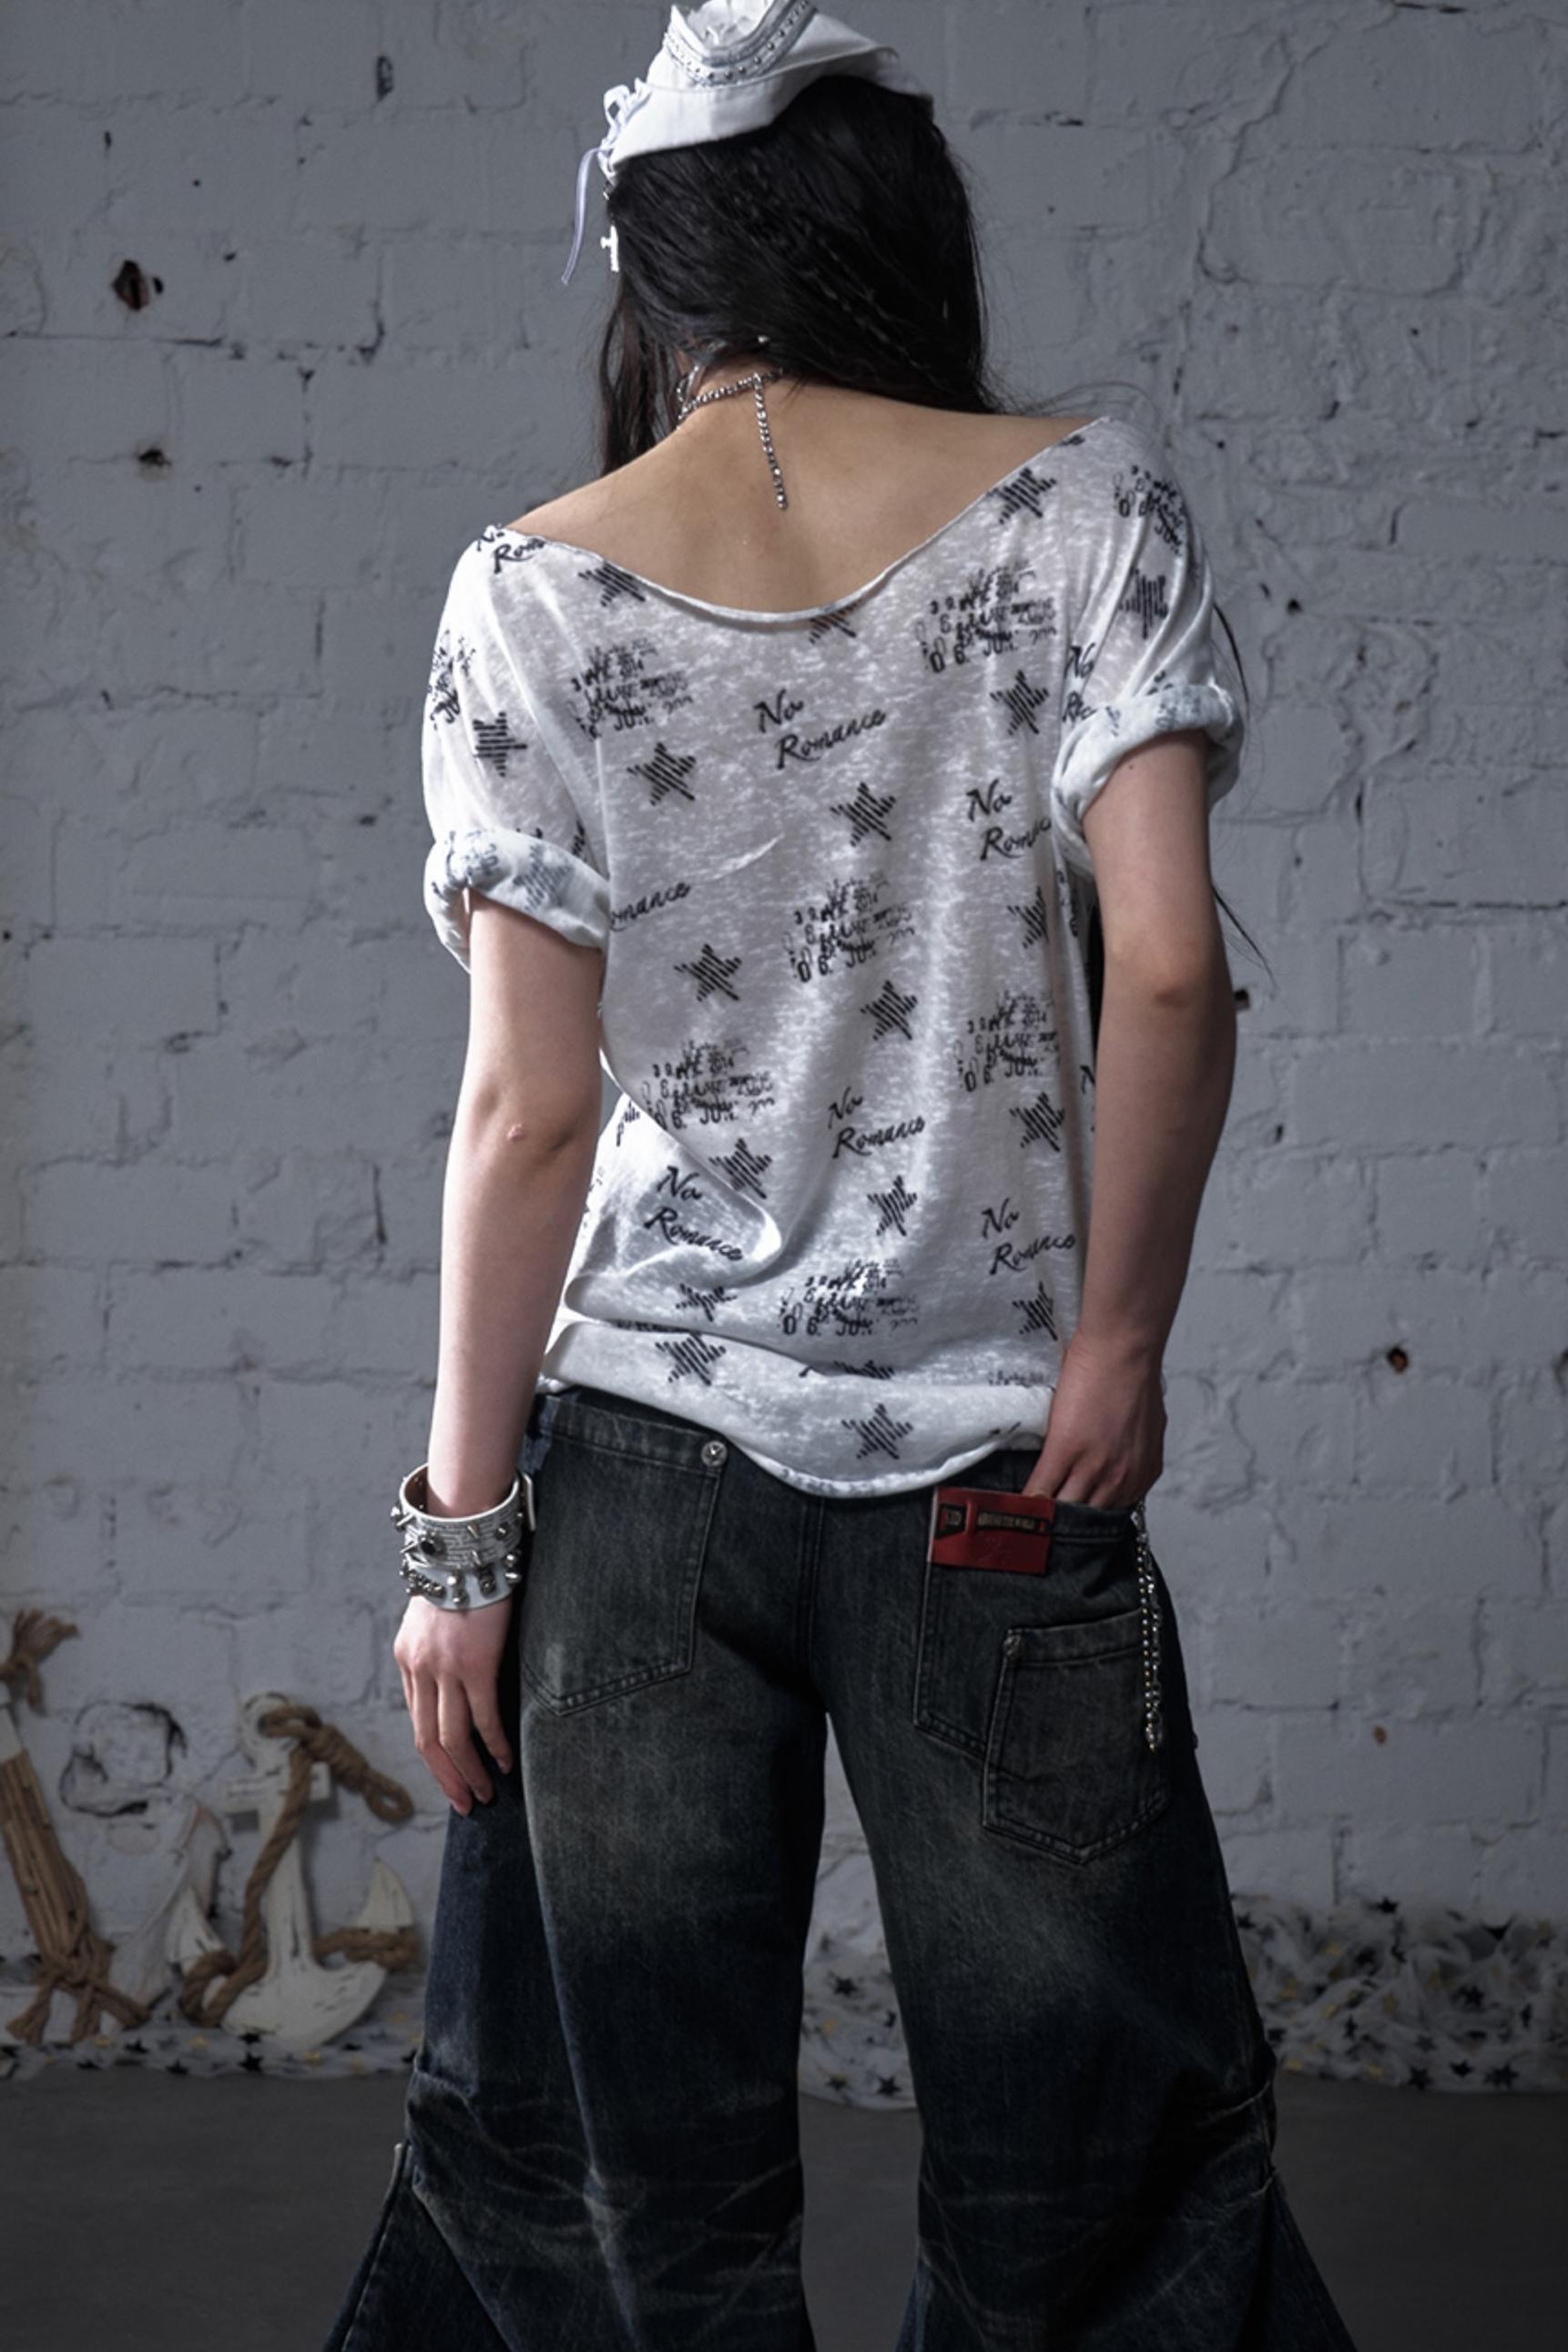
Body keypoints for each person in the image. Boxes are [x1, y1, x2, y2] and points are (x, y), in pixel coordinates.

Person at [324, 5, 1360, 2347]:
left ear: (650, 263)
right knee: (1088, 2190)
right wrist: (1118, 1346)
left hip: (633, 1480)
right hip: (1002, 1463)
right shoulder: (1086, 506)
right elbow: (1173, 968)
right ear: (900, 221)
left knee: (628, 2204)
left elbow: (525, 1115)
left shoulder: (529, 588)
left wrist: (459, 1549)